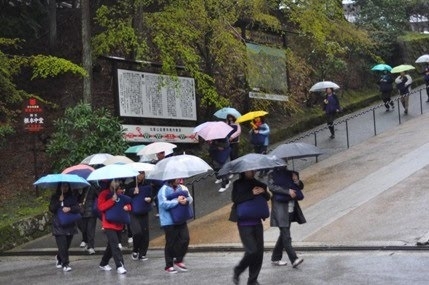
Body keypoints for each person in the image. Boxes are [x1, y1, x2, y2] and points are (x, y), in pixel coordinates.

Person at [229, 170, 271, 285]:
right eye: (249, 171)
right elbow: (235, 199)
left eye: (253, 170)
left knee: (259, 252)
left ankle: (253, 280)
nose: (252, 172)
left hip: (257, 222)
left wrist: (263, 192)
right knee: (251, 250)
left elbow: (267, 197)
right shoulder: (237, 184)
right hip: (244, 223)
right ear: (243, 171)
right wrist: (252, 193)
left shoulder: (259, 183)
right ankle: (238, 269)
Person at [268, 166, 306, 269]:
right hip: (280, 209)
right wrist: (287, 191)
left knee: (283, 234)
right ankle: (294, 259)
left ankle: (275, 258)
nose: (284, 162)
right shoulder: (272, 174)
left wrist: (296, 180)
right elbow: (271, 187)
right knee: (286, 235)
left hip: (291, 208)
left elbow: (300, 187)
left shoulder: (291, 173)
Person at [158, 178, 193, 274]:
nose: (179, 180)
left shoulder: (182, 187)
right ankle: (168, 265)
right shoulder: (163, 190)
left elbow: (190, 198)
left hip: (181, 218)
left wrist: (185, 200)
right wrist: (176, 201)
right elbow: (163, 204)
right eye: (177, 178)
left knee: (185, 239)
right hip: (168, 220)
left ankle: (178, 259)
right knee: (170, 242)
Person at [98, 179, 131, 274]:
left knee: (111, 245)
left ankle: (103, 263)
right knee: (116, 245)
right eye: (114, 181)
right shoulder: (104, 194)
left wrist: (127, 207)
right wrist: (111, 201)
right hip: (108, 223)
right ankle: (120, 265)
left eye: (117, 181)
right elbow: (101, 207)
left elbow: (128, 203)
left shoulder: (119, 192)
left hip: (119, 223)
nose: (116, 183)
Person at [49, 182, 80, 272]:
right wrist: (59, 201)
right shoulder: (55, 197)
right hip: (58, 224)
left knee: (66, 245)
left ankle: (59, 258)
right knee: (62, 245)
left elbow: (78, 209)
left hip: (69, 224)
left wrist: (70, 209)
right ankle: (65, 264)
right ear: (60, 187)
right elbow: (51, 209)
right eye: (63, 186)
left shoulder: (72, 197)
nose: (65, 188)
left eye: (66, 186)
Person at [124, 171, 153, 262]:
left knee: (145, 233)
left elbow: (151, 195)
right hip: (133, 212)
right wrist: (133, 193)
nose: (141, 175)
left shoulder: (148, 183)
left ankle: (143, 253)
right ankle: (135, 250)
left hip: (144, 211)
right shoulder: (130, 185)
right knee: (137, 232)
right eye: (139, 173)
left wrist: (150, 199)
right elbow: (126, 198)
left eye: (142, 173)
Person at [76, 182, 99, 255]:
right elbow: (76, 199)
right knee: (83, 227)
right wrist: (79, 193)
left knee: (90, 229)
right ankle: (85, 241)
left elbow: (98, 196)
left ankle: (91, 246)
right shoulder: (78, 188)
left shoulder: (92, 187)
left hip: (91, 211)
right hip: (82, 211)